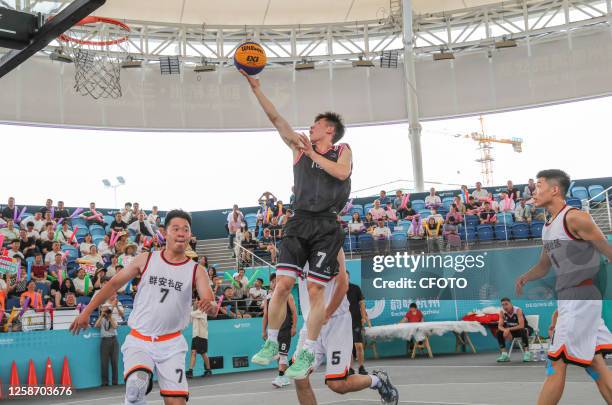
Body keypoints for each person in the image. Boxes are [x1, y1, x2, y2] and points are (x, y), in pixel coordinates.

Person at [243, 70, 352, 379]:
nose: (310, 126)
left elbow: (342, 174)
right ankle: (271, 342)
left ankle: (307, 351)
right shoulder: (298, 148)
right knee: (283, 284)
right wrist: (255, 89)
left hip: (327, 225)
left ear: (329, 130)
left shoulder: (342, 150)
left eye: (316, 124)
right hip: (300, 220)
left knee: (317, 289)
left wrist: (314, 155)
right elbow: (277, 119)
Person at [70, 210, 216, 405]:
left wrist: (210, 305)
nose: (181, 233)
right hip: (140, 340)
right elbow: (112, 284)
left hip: (172, 344)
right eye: (176, 228)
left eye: (186, 229)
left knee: (177, 402)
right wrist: (87, 311)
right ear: (165, 233)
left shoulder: (197, 270)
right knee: (136, 385)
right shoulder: (146, 259)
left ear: (190, 235)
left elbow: (212, 305)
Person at [515, 169, 612, 405]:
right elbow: (543, 266)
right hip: (571, 298)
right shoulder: (548, 226)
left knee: (555, 362)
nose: (533, 191)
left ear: (554, 189)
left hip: (581, 297)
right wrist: (525, 277)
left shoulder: (576, 218)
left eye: (538, 185)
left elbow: (608, 251)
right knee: (595, 362)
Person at [294, 249, 398, 404]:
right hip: (310, 324)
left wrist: (327, 314)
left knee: (337, 384)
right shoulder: (294, 244)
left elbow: (343, 285)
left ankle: (377, 380)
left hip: (336, 323)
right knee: (299, 377)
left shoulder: (330, 239)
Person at [262, 273, 297, 388]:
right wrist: (264, 331)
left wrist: (294, 327)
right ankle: (285, 376)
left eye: (276, 281)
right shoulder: (267, 298)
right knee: (279, 355)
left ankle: (281, 377)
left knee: (282, 354)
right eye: (272, 282)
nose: (274, 283)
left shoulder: (287, 295)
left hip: (285, 329)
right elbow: (266, 315)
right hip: (273, 332)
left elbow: (294, 312)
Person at [95, 295, 122, 386]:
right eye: (104, 309)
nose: (106, 311)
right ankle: (105, 382)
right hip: (105, 341)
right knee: (104, 362)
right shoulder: (101, 319)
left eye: (107, 309)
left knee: (114, 362)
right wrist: (102, 315)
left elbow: (115, 326)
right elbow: (96, 325)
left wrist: (110, 317)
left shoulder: (113, 318)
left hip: (114, 340)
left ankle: (115, 382)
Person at [496, 297, 532, 362]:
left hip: (525, 329)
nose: (504, 306)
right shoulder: (502, 312)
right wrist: (505, 330)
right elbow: (499, 326)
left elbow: (521, 325)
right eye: (503, 305)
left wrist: (508, 329)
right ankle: (504, 355)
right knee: (499, 332)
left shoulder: (518, 310)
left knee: (523, 330)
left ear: (511, 304)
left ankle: (527, 353)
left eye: (506, 304)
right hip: (512, 331)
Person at [346, 273, 368, 376]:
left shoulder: (355, 288)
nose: (344, 278)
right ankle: (350, 368)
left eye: (346, 276)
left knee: (358, 345)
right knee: (348, 347)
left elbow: (362, 303)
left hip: (356, 321)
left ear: (349, 277)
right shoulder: (338, 290)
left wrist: (363, 317)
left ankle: (361, 367)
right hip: (343, 323)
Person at [186, 299, 212, 378]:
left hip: (202, 336)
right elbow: (189, 320)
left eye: (197, 302)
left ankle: (208, 370)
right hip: (195, 335)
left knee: (203, 353)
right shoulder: (195, 312)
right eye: (195, 302)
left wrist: (189, 307)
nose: (196, 303)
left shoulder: (202, 311)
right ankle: (190, 371)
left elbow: (190, 314)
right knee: (193, 352)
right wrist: (192, 307)